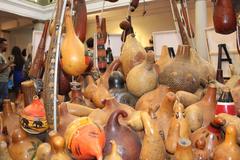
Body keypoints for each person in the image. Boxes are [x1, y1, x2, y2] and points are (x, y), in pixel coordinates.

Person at [0, 38, 14, 110]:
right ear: (1, 45)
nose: (6, 46)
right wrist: (9, 63)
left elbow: (3, 66)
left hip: (4, 80)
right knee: (4, 101)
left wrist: (9, 66)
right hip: (1, 81)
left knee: (4, 100)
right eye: (5, 45)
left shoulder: (2, 55)